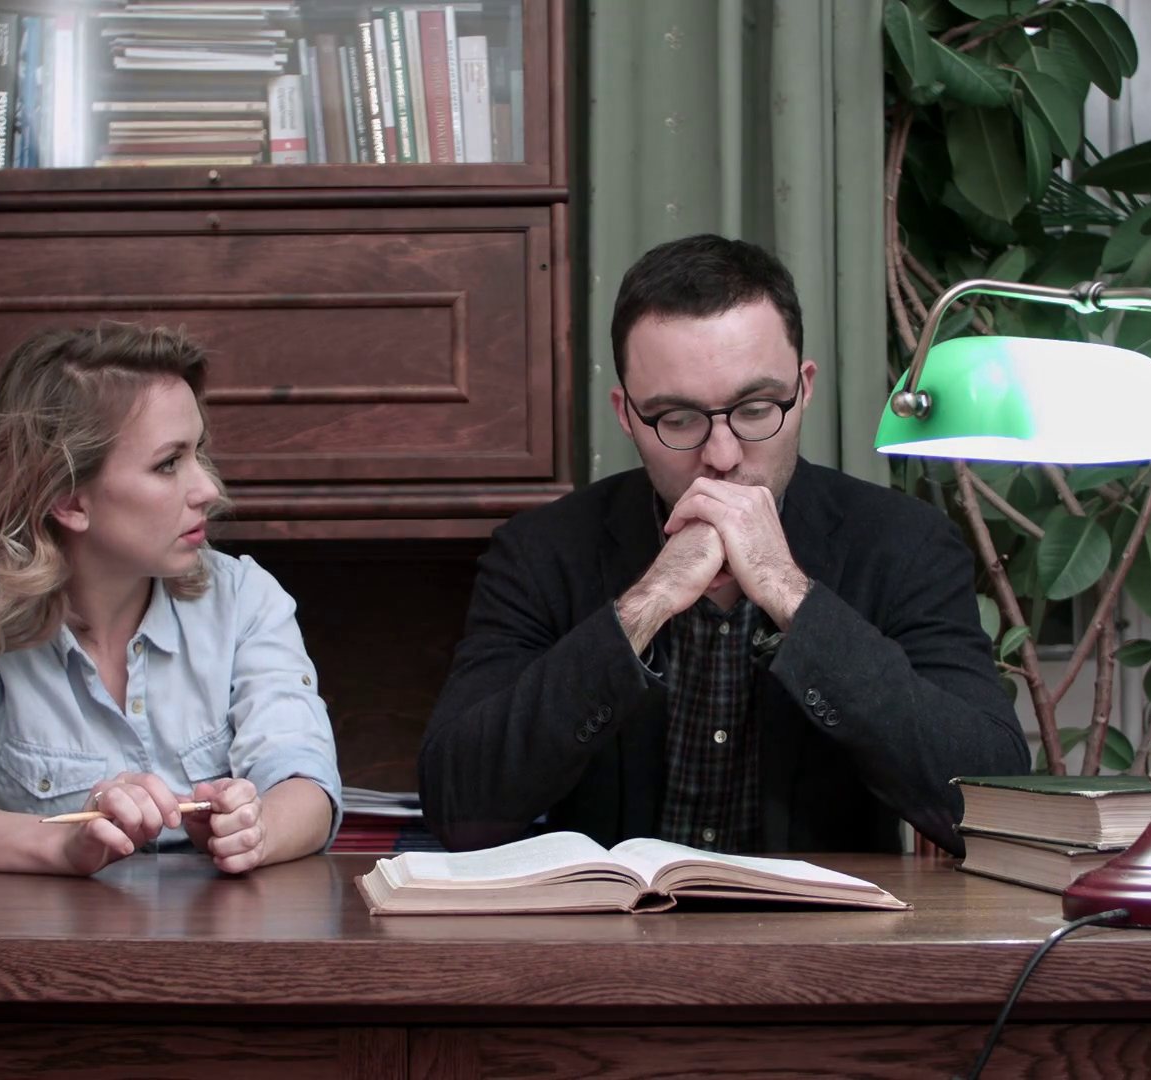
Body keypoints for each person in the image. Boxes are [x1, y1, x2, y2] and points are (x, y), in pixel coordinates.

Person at [419, 234, 1028, 856]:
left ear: (804, 388)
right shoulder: (539, 551)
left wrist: (792, 595)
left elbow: (994, 804)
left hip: (821, 921)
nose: (722, 456)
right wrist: (645, 604)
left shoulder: (906, 543)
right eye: (678, 419)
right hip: (611, 918)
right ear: (626, 415)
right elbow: (458, 808)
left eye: (756, 408)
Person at [0, 324, 341, 876]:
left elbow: (307, 782)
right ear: (69, 500)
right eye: (169, 463)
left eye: (197, 452)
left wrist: (255, 829)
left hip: (221, 929)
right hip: (30, 933)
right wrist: (59, 845)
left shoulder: (244, 600)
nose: (208, 489)